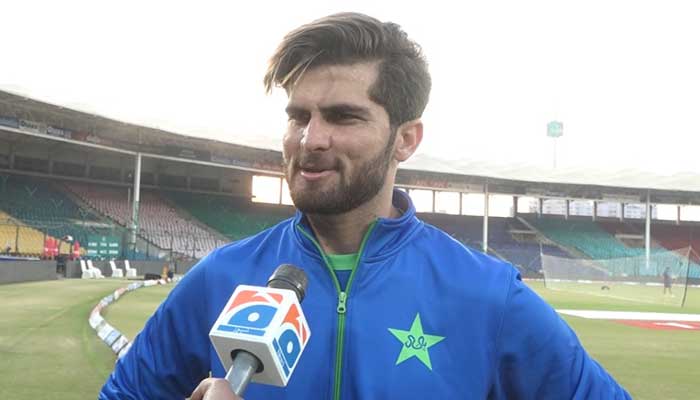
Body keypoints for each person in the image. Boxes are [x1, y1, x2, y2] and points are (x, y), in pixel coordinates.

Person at [100, 12, 631, 399]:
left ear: (405, 140)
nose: (310, 139)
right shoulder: (219, 278)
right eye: (298, 115)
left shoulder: (489, 297)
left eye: (343, 116)